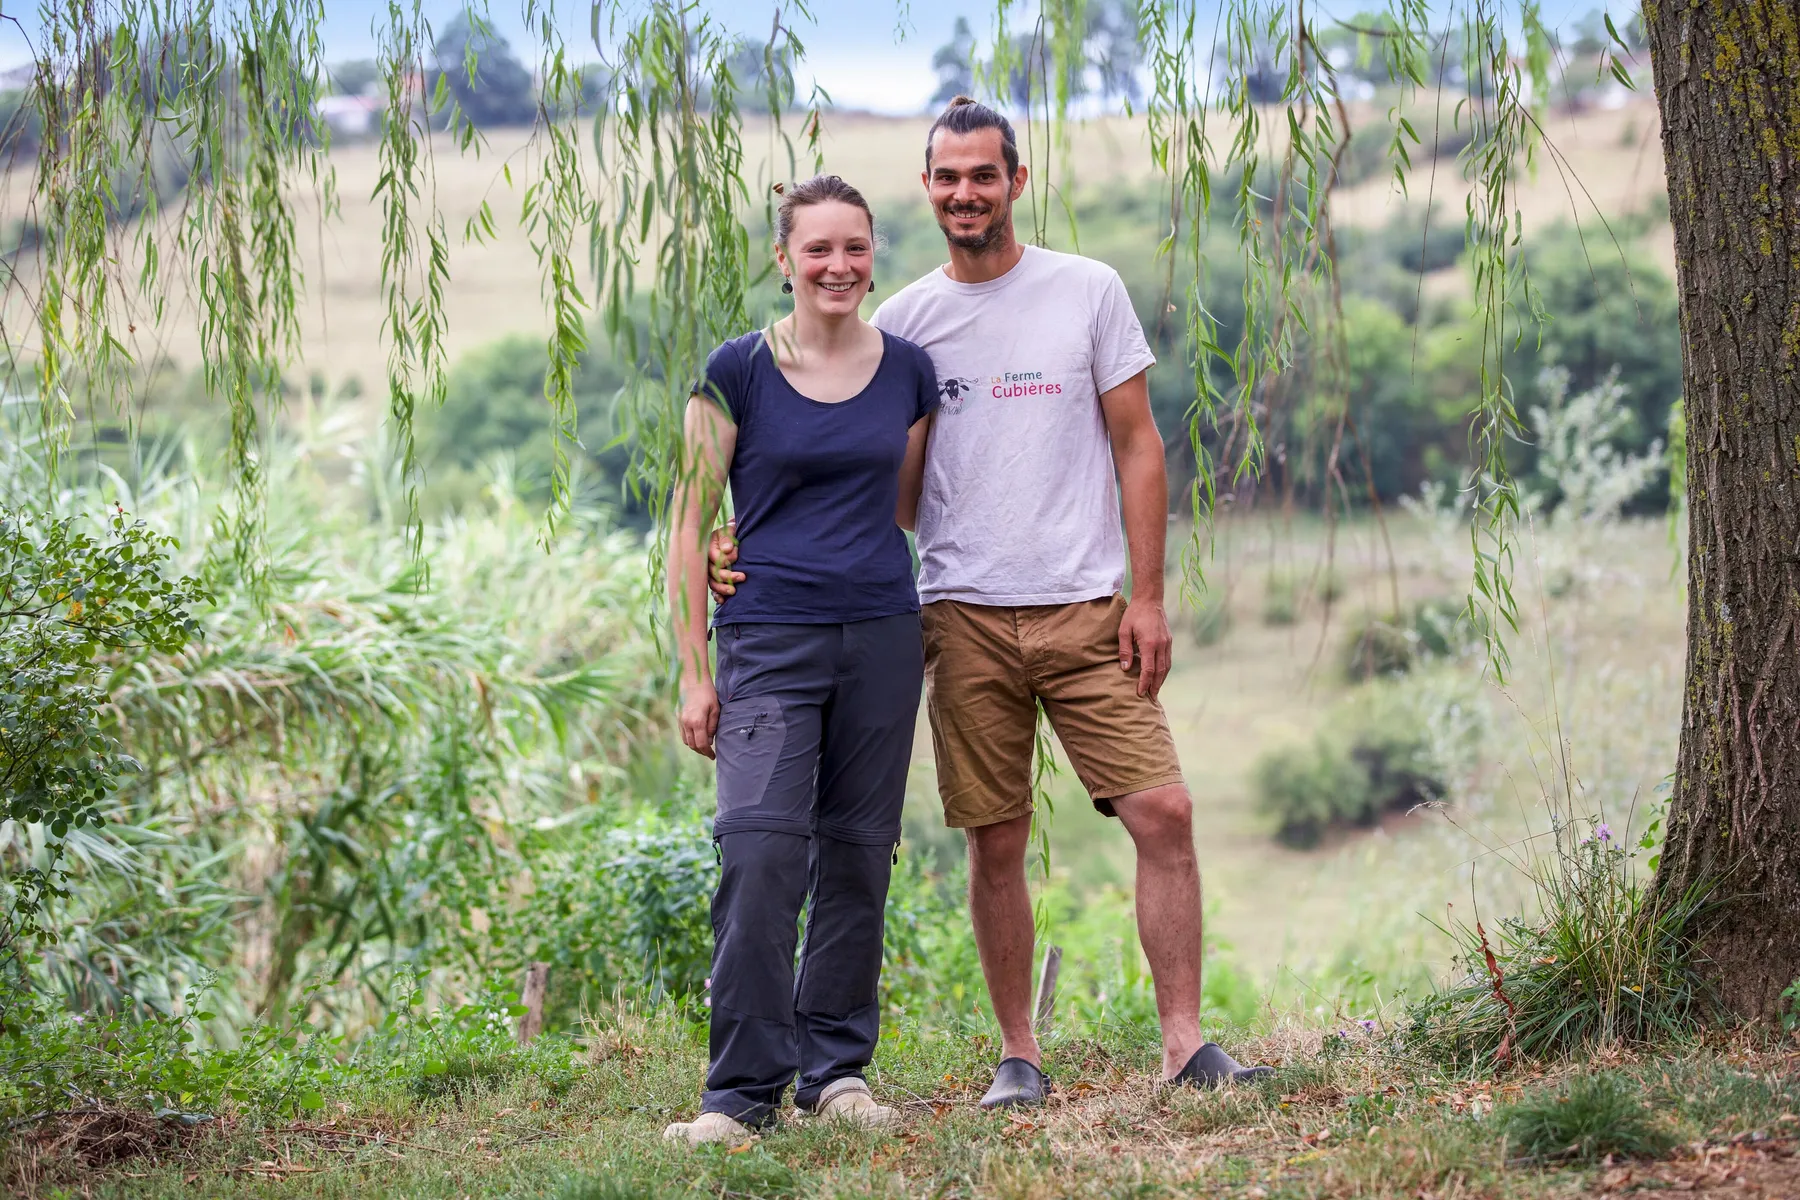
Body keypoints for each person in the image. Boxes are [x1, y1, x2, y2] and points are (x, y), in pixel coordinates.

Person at [710, 97, 1271, 1108]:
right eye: (946, 177)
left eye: (983, 174)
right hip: (960, 610)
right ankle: (1020, 1055)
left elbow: (1139, 444)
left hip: (1088, 605)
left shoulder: (1086, 291)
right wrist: (738, 537)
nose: (964, 192)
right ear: (929, 190)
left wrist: (1148, 596)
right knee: (996, 836)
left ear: (1016, 181)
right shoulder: (905, 324)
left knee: (1164, 809)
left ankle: (1185, 1045)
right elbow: (870, 471)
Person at [662, 175, 938, 1146]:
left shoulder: (908, 371)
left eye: (854, 247)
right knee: (760, 851)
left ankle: (837, 1074)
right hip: (768, 644)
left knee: (861, 856)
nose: (838, 266)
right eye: (817, 249)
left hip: (881, 635)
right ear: (783, 259)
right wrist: (697, 674)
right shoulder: (734, 370)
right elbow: (691, 526)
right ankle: (738, 1096)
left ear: (873, 253)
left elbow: (904, 506)